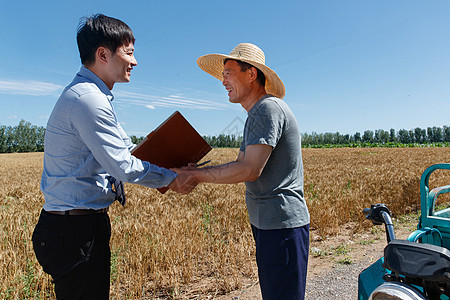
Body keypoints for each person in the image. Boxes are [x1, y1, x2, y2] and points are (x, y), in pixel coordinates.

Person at [32, 14, 187, 299]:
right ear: (102, 54)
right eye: (128, 52)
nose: (134, 62)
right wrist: (174, 178)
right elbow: (124, 166)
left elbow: (126, 150)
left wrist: (169, 152)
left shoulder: (92, 96)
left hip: (77, 227)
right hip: (74, 232)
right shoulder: (88, 99)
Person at [173, 43, 310, 300]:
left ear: (251, 74)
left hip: (280, 225)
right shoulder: (256, 113)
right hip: (270, 224)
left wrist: (196, 176)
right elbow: (241, 163)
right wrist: (196, 169)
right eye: (222, 75)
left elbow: (249, 169)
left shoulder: (267, 109)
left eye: (228, 73)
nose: (223, 81)